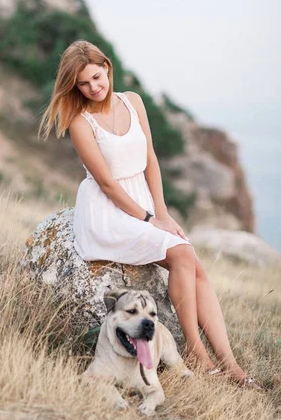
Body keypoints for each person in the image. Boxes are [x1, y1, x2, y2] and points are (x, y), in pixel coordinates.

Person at [39, 40, 263, 389]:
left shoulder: (133, 101)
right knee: (183, 254)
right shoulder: (80, 122)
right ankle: (197, 355)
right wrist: (149, 220)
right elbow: (108, 185)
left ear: (107, 68)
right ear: (74, 86)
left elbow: (151, 160)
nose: (94, 88)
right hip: (109, 212)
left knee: (194, 263)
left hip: (143, 203)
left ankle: (230, 364)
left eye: (97, 77)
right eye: (84, 84)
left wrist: (162, 212)